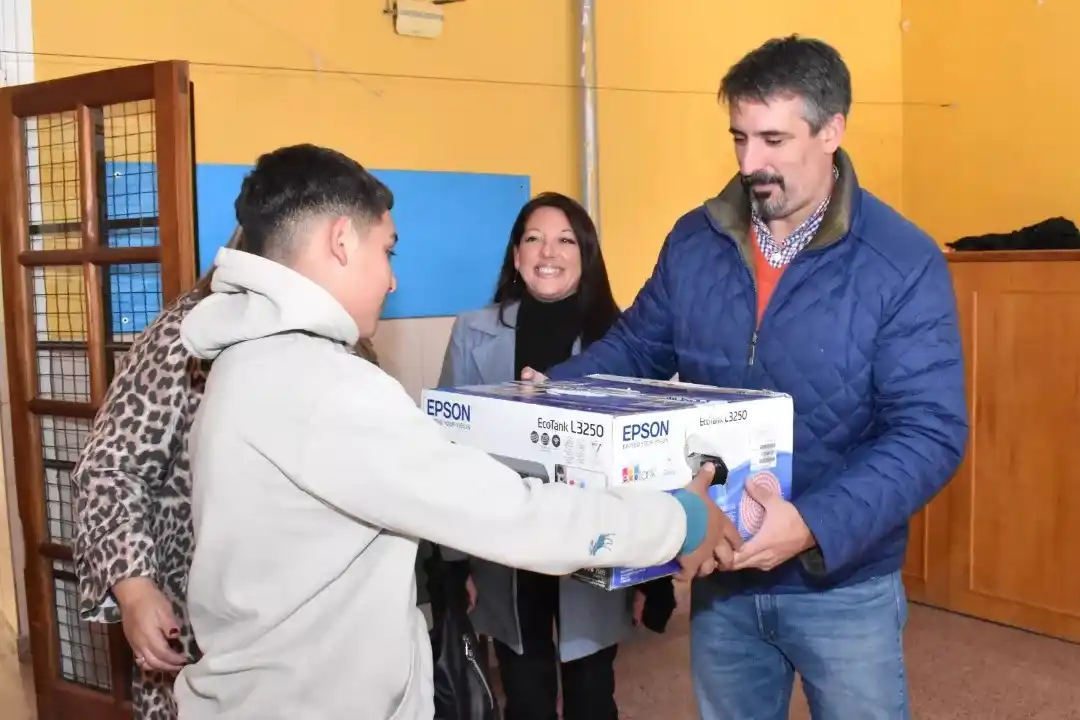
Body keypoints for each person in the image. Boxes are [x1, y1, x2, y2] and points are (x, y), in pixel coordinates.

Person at [171, 143, 733, 720]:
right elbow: (509, 512)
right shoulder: (322, 386)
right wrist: (677, 520)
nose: (391, 281)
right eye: (386, 251)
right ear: (342, 241)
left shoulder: (243, 362)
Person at [527, 36, 968, 720]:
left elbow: (931, 432)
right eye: (738, 138)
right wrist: (546, 392)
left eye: (772, 139)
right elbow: (636, 348)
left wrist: (812, 524)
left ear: (832, 131)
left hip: (841, 585)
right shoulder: (695, 240)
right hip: (723, 575)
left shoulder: (900, 260)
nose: (749, 164)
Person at [71, 227, 382, 720]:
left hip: (314, 635)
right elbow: (110, 466)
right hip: (205, 631)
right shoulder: (190, 334)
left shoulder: (341, 341)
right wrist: (134, 588)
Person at [438, 191, 678, 720]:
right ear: (517, 256)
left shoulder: (624, 339)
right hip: (506, 542)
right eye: (533, 238)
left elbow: (646, 462)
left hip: (593, 539)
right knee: (524, 696)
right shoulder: (472, 331)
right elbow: (449, 450)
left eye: (565, 239)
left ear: (586, 254)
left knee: (592, 692)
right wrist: (454, 567)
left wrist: (655, 573)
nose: (549, 251)